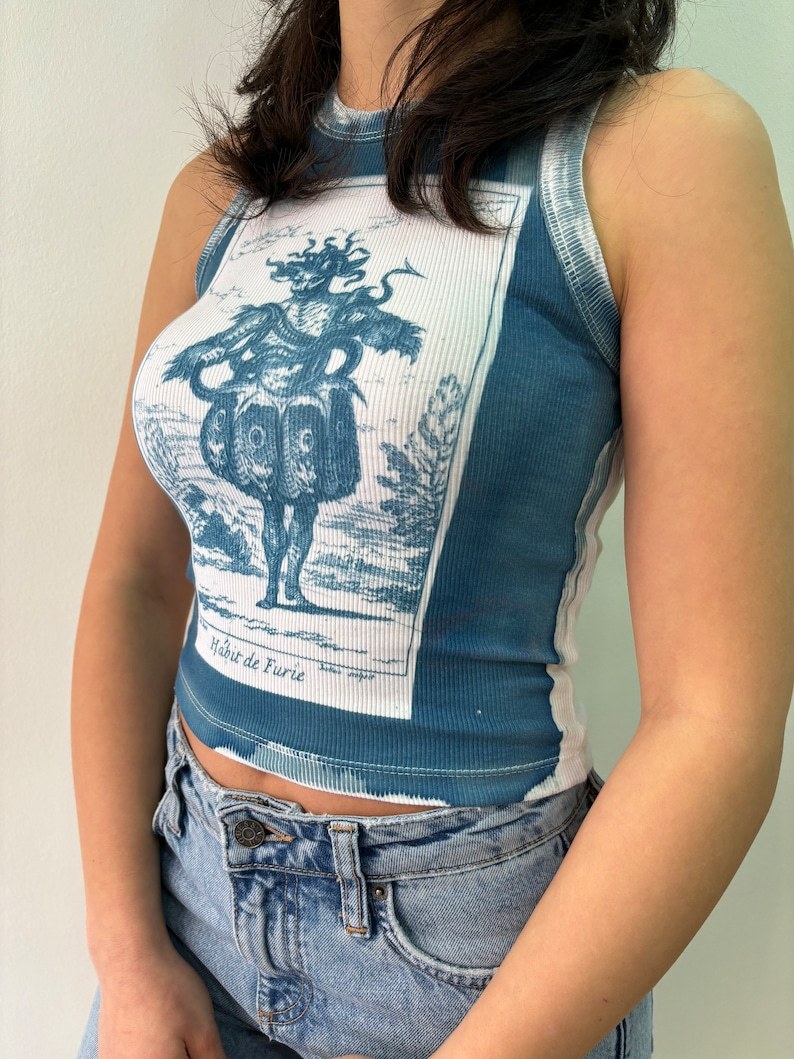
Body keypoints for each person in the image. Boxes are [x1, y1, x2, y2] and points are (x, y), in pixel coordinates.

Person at [72, 1, 794, 1057]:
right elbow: (134, 584)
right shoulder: (222, 192)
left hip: (473, 980)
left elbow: (714, 720)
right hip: (185, 913)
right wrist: (126, 955)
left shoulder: (653, 152)